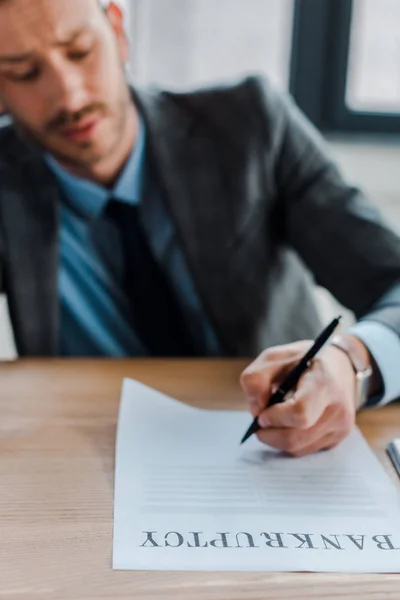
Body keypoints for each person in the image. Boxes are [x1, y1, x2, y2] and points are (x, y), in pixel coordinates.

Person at [0, 0, 399, 457]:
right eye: (24, 73)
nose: (69, 97)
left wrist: (354, 363)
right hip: (86, 458)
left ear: (116, 29)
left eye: (79, 51)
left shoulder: (252, 126)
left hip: (284, 451)